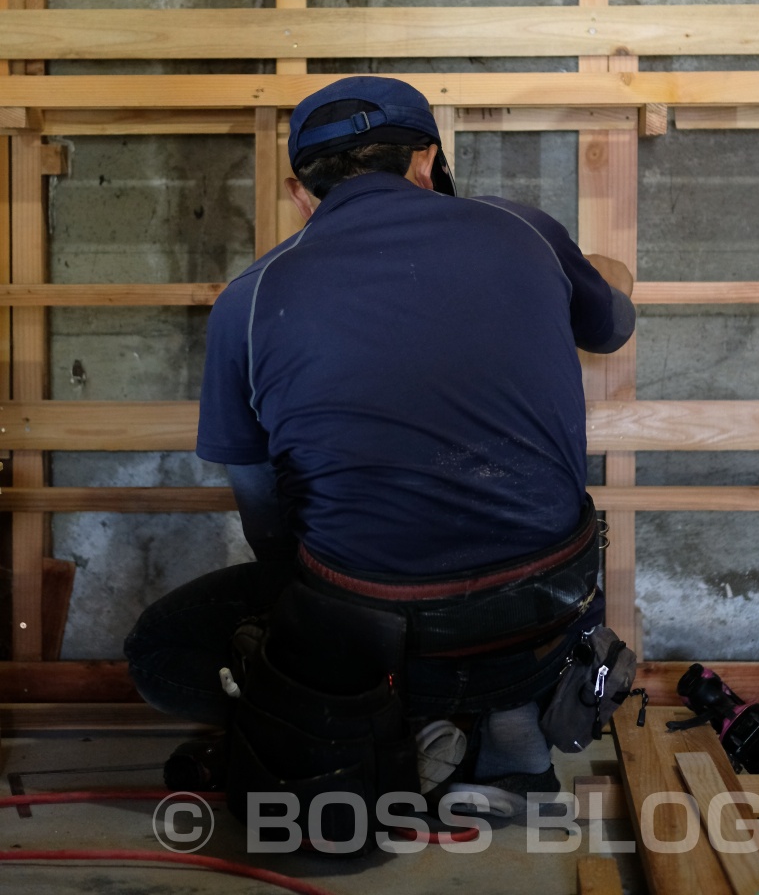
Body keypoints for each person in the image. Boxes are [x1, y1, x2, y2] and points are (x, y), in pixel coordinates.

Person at [124, 74, 635, 817]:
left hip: (375, 632)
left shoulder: (251, 298)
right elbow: (610, 326)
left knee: (160, 652)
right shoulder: (524, 227)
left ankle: (394, 722)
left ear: (303, 193)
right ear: (426, 161)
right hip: (550, 610)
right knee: (525, 549)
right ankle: (508, 719)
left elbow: (265, 516)